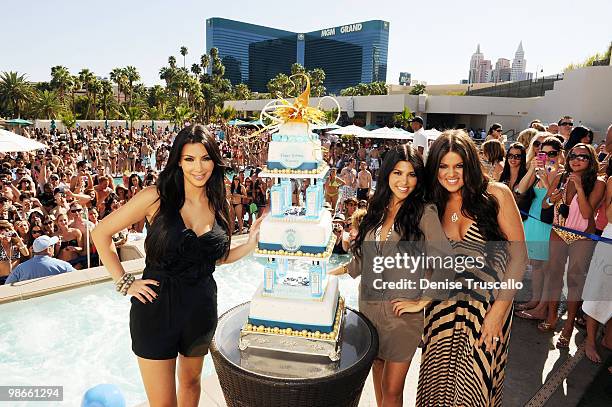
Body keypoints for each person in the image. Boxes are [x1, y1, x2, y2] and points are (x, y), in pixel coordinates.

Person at [92, 124, 264, 406]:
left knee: (192, 384)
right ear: (178, 161)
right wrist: (125, 282)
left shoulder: (217, 200)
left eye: (205, 158)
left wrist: (249, 244)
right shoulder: (155, 197)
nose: (199, 167)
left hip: (201, 307)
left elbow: (215, 258)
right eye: (190, 159)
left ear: (214, 160)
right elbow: (101, 233)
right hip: (156, 310)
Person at [331, 144, 452, 407]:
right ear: (387, 173)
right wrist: (328, 273)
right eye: (398, 173)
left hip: (401, 316)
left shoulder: (423, 212)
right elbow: (363, 259)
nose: (404, 181)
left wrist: (422, 301)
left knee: (392, 390)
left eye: (411, 174)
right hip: (369, 310)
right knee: (377, 376)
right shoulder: (377, 208)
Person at [417, 130, 527, 407]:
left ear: (471, 164)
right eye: (443, 166)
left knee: (474, 389)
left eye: (458, 166)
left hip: (485, 313)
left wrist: (497, 314)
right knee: (437, 390)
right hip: (440, 314)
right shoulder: (433, 203)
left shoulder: (497, 194)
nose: (450, 174)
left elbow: (519, 257)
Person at [539, 143, 605, 348]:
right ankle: (551, 317)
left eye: (582, 157)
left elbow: (587, 214)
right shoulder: (560, 176)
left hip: (582, 236)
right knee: (554, 275)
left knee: (575, 281)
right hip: (558, 230)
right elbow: (545, 204)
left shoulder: (598, 182)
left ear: (591, 160)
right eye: (572, 155)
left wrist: (578, 187)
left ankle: (568, 327)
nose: (576, 159)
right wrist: (552, 199)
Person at [4, 235, 76, 284]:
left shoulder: (20, 269)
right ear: (48, 249)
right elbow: (78, 278)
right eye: (52, 246)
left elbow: (7, 286)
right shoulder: (63, 266)